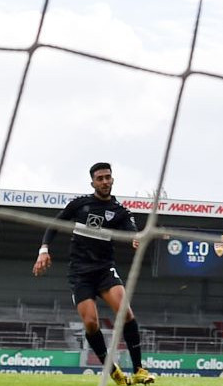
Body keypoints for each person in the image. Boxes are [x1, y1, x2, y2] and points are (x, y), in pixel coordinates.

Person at [31, 162, 155, 385]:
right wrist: (44, 249)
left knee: (126, 313)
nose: (105, 181)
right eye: (100, 178)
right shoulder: (80, 204)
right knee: (90, 323)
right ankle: (113, 371)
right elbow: (55, 224)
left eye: (108, 177)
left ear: (112, 179)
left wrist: (136, 238)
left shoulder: (120, 211)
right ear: (93, 182)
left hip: (104, 270)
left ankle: (139, 370)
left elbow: (131, 229)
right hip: (80, 273)